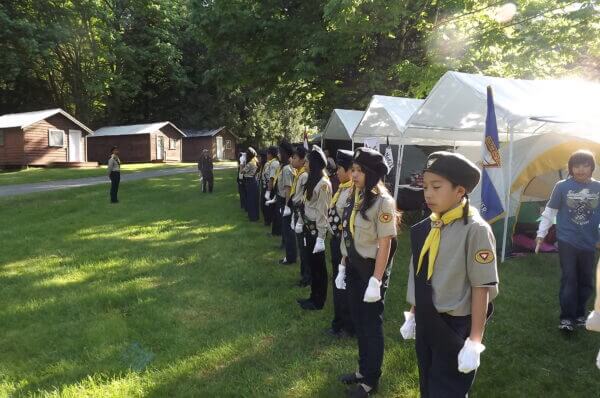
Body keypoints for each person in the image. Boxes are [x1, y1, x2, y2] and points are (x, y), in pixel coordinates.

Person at [401, 151, 498, 398]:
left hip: (454, 325)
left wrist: (475, 341)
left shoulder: (475, 230)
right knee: (428, 382)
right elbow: (422, 274)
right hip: (426, 318)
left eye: (436, 186)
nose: (428, 194)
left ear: (460, 191)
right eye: (425, 187)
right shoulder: (430, 226)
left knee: (448, 390)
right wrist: (414, 313)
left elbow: (481, 286)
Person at [336, 147, 398, 397]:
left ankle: (371, 379)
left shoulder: (383, 202)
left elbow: (386, 243)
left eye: (360, 170)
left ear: (372, 173)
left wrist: (377, 280)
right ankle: (363, 370)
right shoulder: (355, 195)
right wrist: (342, 265)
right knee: (359, 322)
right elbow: (348, 233)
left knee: (371, 325)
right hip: (352, 266)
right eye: (354, 169)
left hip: (370, 272)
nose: (354, 174)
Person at [536, 150, 600, 332]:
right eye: (576, 165)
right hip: (567, 241)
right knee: (570, 278)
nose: (580, 169)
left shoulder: (598, 188)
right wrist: (541, 234)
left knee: (586, 280)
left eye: (585, 165)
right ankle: (567, 318)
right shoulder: (562, 186)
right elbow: (550, 212)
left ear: (592, 167)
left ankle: (580, 314)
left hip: (589, 242)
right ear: (571, 168)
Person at [296, 145, 332, 310]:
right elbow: (307, 204)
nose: (306, 162)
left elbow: (322, 211)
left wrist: (321, 237)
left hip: (316, 230)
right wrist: (300, 222)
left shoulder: (324, 184)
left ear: (315, 163)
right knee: (311, 264)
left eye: (308, 160)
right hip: (308, 227)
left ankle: (319, 300)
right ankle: (313, 296)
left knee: (319, 267)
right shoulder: (312, 178)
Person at [326, 149, 355, 337]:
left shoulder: (352, 191)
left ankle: (347, 325)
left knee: (345, 284)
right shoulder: (343, 187)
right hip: (336, 241)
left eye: (340, 169)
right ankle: (338, 321)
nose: (336, 172)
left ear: (350, 170)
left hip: (345, 244)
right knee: (338, 282)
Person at [289, 145, 310, 286]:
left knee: (304, 247)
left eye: (295, 158)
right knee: (301, 245)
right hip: (296, 211)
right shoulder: (299, 174)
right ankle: (304, 275)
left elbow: (303, 198)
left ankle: (307, 277)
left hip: (301, 212)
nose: (292, 160)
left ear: (303, 160)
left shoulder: (304, 176)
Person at [273, 141, 296, 263]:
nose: (278, 154)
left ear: (285, 153)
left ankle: (290, 257)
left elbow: (288, 188)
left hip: (286, 201)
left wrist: (287, 206)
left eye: (280, 152)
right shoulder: (285, 166)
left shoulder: (287, 168)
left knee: (288, 231)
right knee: (286, 230)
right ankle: (289, 255)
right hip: (283, 200)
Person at [265, 146, 282, 236]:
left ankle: (276, 232)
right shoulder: (274, 162)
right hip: (273, 187)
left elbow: (271, 178)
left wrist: (268, 191)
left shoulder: (274, 164)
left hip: (272, 188)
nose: (267, 155)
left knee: (274, 211)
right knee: (274, 211)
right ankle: (274, 231)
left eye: (268, 153)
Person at [242, 147, 260, 222]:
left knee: (250, 199)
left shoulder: (250, 163)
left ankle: (252, 217)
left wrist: (242, 163)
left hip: (250, 181)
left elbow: (242, 172)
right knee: (254, 199)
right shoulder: (255, 160)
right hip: (253, 180)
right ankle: (255, 216)